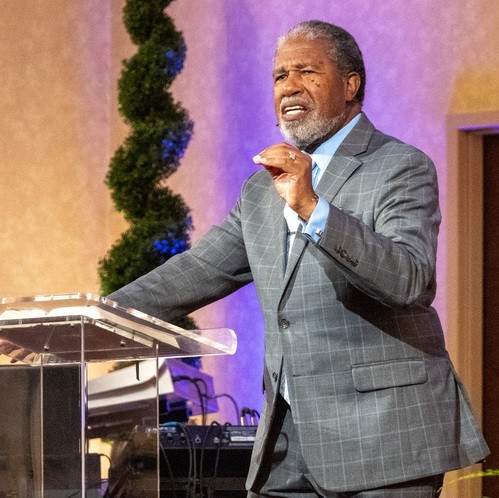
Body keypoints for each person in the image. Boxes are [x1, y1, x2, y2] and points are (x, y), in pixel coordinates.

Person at [109, 20, 489, 497]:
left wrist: (313, 207)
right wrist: (90, 318)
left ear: (350, 85)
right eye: (279, 75)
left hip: (383, 438)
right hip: (288, 444)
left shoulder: (400, 166)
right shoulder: (261, 190)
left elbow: (408, 278)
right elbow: (198, 269)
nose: (289, 86)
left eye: (307, 72)